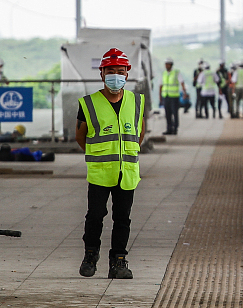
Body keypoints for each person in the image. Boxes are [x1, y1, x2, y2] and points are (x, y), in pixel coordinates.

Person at [76, 48, 146, 280]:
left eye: (120, 71)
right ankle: (90, 254)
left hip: (127, 171)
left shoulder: (136, 101)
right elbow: (80, 136)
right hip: (100, 171)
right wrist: (99, 155)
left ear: (127, 73)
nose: (116, 76)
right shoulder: (89, 103)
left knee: (122, 218)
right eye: (110, 71)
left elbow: (139, 133)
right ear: (102, 73)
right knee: (95, 215)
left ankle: (118, 260)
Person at [160, 58, 186, 135]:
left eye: (168, 64)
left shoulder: (176, 72)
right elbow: (160, 85)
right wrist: (160, 95)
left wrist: (184, 93)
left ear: (171, 65)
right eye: (166, 64)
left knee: (174, 112)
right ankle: (169, 129)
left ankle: (175, 128)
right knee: (167, 113)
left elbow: (182, 82)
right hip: (166, 96)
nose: (166, 66)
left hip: (174, 97)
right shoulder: (164, 73)